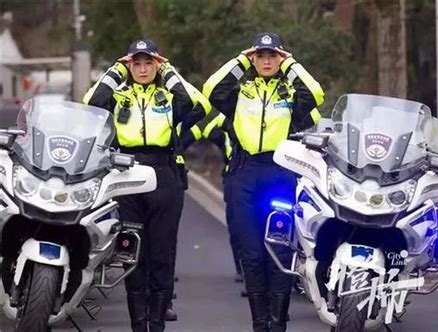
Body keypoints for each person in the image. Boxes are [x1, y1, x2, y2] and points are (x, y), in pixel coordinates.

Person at [83, 39, 208, 332]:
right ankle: (139, 325)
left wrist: (168, 70)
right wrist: (116, 70)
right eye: (136, 63)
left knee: (161, 256)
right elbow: (92, 104)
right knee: (132, 254)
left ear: (156, 65)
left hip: (164, 176)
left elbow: (192, 104)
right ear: (129, 65)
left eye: (148, 63)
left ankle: (157, 324)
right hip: (128, 177)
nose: (141, 69)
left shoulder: (168, 94)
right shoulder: (119, 95)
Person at [203, 32, 324, 331]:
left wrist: (291, 63)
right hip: (245, 174)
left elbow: (316, 94)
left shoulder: (291, 93)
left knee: (279, 249)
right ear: (254, 59)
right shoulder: (239, 92)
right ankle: (260, 323)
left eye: (273, 55)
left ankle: (279, 322)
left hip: (280, 174)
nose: (267, 61)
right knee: (252, 252)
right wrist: (240, 59)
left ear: (279, 57)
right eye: (261, 56)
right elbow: (211, 89)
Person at [180, 110, 244, 283]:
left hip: (267, 173)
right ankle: (243, 269)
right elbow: (206, 129)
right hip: (235, 175)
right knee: (238, 226)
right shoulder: (229, 117)